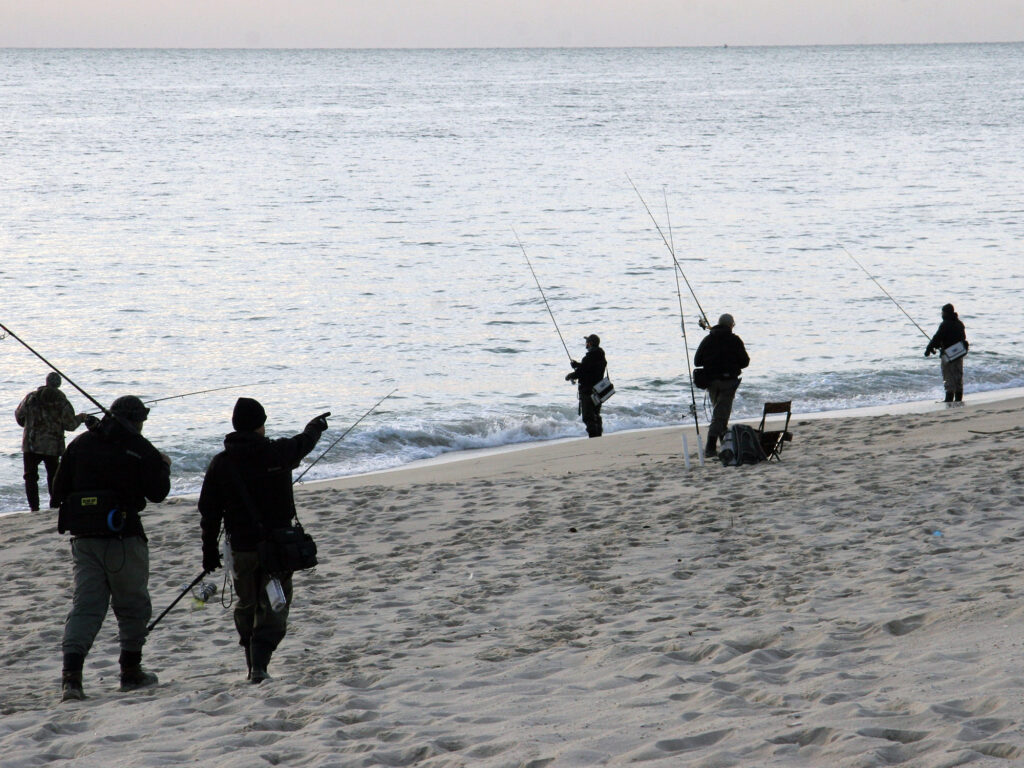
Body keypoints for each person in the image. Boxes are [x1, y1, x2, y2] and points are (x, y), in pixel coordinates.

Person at [198, 398, 328, 683]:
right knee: (275, 605)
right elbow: (304, 443)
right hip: (278, 548)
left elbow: (209, 512)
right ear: (260, 425)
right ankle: (259, 666)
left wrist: (209, 551)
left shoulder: (221, 463)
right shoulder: (277, 452)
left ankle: (252, 664)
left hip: (241, 548)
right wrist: (316, 426)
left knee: (247, 603)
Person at [52, 395, 172, 702]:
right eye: (142, 420)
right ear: (135, 420)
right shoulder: (137, 447)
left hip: (83, 540)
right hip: (123, 537)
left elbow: (57, 491)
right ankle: (130, 673)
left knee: (86, 607)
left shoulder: (79, 444)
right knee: (132, 605)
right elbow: (158, 493)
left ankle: (71, 680)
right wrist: (163, 465)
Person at [14, 372, 90, 511]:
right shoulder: (62, 402)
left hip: (31, 444)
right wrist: (81, 417)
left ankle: (34, 508)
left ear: (46, 382)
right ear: (59, 384)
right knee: (54, 477)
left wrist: (29, 426)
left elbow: (19, 416)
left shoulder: (31, 398)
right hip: (53, 446)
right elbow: (70, 425)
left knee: (30, 477)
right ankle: (54, 505)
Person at [694, 313, 750, 458]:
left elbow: (697, 361)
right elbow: (745, 362)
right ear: (731, 325)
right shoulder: (735, 340)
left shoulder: (708, 339)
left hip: (711, 383)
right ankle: (710, 447)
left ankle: (725, 445)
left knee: (720, 414)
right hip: (729, 382)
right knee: (720, 415)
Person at [565, 334, 607, 438]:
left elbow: (582, 372)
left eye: (587, 342)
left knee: (588, 417)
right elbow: (589, 369)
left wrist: (570, 376)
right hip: (598, 390)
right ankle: (598, 436)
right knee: (596, 415)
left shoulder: (589, 358)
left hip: (587, 391)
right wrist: (577, 365)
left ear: (590, 343)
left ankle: (594, 438)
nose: (586, 344)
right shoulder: (601, 356)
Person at [925, 303, 969, 403]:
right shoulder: (959, 323)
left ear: (946, 313)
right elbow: (963, 338)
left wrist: (929, 349)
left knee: (948, 376)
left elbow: (937, 338)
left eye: (943, 312)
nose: (942, 314)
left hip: (947, 354)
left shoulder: (945, 324)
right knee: (958, 376)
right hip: (959, 353)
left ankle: (948, 399)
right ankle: (958, 399)